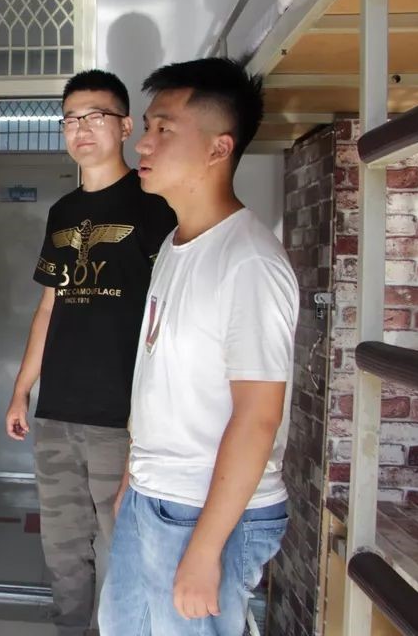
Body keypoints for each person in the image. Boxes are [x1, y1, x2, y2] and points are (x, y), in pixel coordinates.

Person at [99, 57, 299, 636]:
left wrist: (207, 549)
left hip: (205, 513)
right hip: (153, 496)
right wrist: (132, 481)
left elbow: (258, 416)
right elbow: (158, 381)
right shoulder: (174, 245)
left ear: (218, 148)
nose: (143, 143)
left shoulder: (249, 262)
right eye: (147, 128)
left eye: (164, 129)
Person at [5, 70, 176, 633]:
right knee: (62, 549)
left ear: (125, 127)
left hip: (122, 419)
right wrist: (21, 390)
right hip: (57, 413)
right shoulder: (62, 213)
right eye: (71, 119)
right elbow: (48, 308)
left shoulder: (156, 205)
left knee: (125, 547)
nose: (81, 128)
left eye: (95, 116)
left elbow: (171, 315)